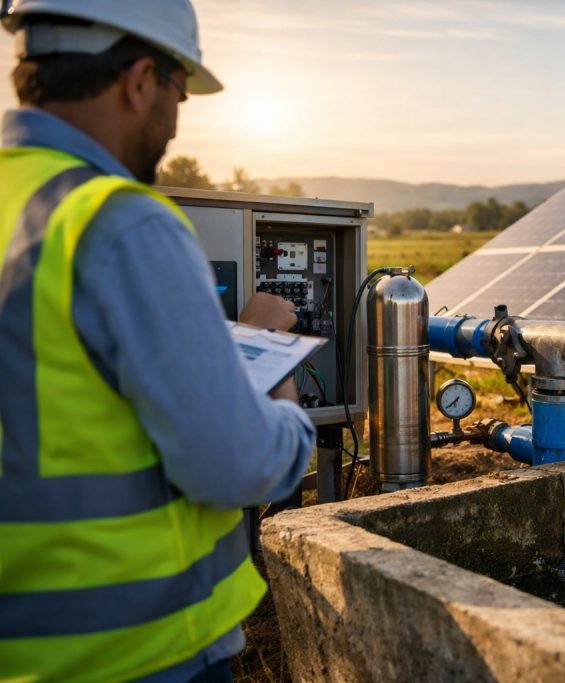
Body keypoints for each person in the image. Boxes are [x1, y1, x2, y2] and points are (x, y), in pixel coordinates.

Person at [0, 1, 316, 681]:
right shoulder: (119, 224)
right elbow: (234, 462)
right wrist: (275, 373)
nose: (176, 120)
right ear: (140, 80)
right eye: (178, 92)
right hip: (136, 652)